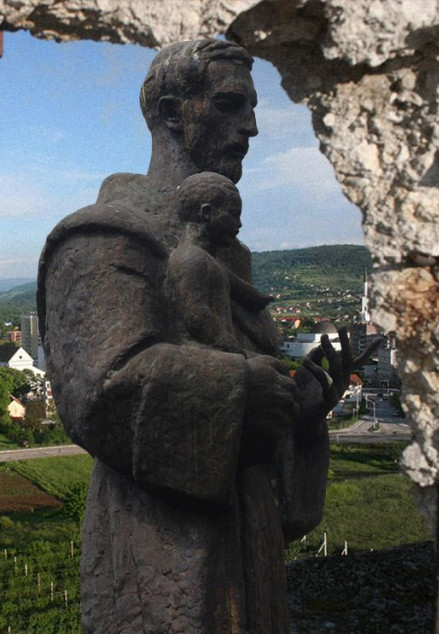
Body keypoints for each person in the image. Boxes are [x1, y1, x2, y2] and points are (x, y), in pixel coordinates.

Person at [37, 39, 373, 633]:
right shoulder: (102, 239)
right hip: (161, 545)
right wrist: (245, 385)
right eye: (229, 105)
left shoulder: (227, 255)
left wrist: (301, 407)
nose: (251, 127)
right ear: (172, 114)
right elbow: (102, 390)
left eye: (252, 108)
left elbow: (257, 396)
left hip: (250, 544)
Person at [168, 171, 272, 354]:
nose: (239, 224)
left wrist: (256, 298)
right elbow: (196, 315)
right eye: (233, 215)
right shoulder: (191, 259)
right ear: (207, 213)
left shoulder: (206, 261)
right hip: (207, 351)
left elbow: (237, 286)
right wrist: (230, 346)